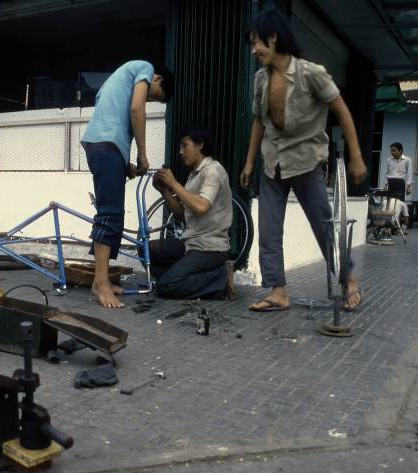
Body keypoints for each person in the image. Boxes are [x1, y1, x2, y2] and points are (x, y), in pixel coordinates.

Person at [240, 10, 367, 312]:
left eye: (257, 42)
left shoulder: (312, 73)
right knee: (269, 229)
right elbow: (259, 122)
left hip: (307, 162)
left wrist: (357, 156)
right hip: (273, 163)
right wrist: (248, 162)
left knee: (324, 226)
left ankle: (348, 278)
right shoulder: (261, 79)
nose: (254, 50)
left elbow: (342, 111)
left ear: (273, 38)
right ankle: (278, 291)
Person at [80, 60, 174, 308]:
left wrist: (124, 164)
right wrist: (142, 154)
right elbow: (135, 110)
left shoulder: (114, 81)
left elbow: (108, 119)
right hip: (105, 147)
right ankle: (100, 283)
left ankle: (103, 280)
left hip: (103, 146)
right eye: (155, 96)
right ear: (157, 79)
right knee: (109, 215)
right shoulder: (144, 67)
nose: (149, 101)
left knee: (114, 216)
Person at [151, 127, 234, 300]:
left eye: (184, 146)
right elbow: (183, 215)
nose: (180, 152)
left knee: (166, 286)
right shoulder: (193, 176)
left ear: (200, 145)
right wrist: (164, 191)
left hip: (210, 249)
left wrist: (174, 184)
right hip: (191, 244)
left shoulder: (213, 170)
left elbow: (202, 206)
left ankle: (220, 280)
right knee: (146, 251)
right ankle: (184, 276)